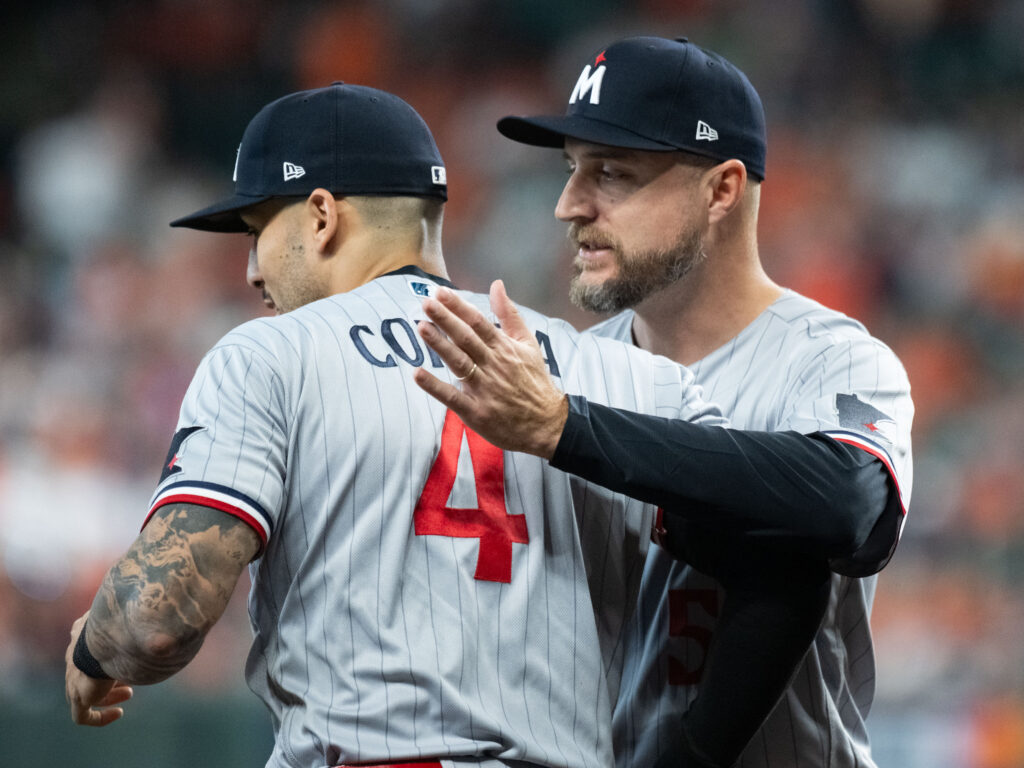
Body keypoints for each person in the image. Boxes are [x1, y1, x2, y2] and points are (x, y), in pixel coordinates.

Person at [63, 82, 742, 768]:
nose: (250, 272)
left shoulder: (270, 353)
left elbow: (157, 621)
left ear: (321, 216)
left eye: (256, 231)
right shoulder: (627, 374)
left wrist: (94, 642)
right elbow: (789, 555)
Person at [411, 36, 914, 768]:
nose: (568, 206)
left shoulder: (832, 357)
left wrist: (566, 428)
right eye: (571, 169)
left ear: (721, 189)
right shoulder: (579, 369)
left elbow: (847, 500)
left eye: (612, 172)